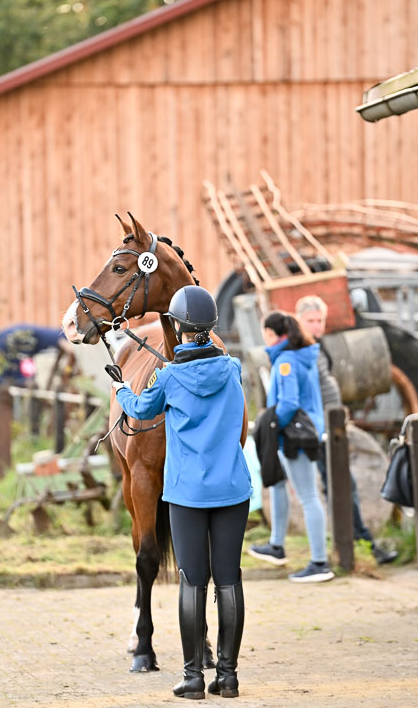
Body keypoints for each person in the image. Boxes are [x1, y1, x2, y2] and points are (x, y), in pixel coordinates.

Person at [111, 285, 253, 700]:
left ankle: (192, 678)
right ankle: (227, 676)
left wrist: (120, 387)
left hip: (188, 494)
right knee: (229, 582)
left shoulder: (169, 378)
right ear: (210, 326)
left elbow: (137, 411)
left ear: (174, 326)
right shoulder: (233, 369)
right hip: (232, 490)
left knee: (192, 582)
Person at [295, 295, 398, 565]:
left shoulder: (316, 345)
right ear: (299, 320)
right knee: (338, 486)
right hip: (320, 429)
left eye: (320, 320)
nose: (316, 326)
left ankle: (354, 543)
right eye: (310, 321)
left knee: (341, 486)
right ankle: (357, 545)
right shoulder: (300, 350)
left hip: (331, 425)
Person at [249, 311, 335, 583]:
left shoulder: (285, 361)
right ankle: (277, 545)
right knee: (277, 484)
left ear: (272, 334)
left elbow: (288, 403)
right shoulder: (302, 354)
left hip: (296, 436)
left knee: (308, 496)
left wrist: (271, 423)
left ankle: (319, 562)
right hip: (305, 431)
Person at [0, 323, 72, 385]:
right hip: (18, 337)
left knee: (8, 376)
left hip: (10, 338)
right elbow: (63, 343)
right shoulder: (60, 336)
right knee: (20, 379)